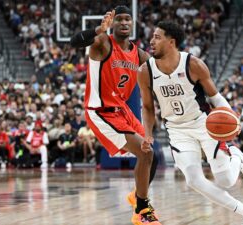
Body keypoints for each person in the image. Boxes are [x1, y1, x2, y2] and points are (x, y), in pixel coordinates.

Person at [138, 20, 243, 225]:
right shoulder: (145, 71)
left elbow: (215, 98)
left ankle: (236, 156)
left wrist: (232, 118)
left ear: (171, 42)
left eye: (157, 37)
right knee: (193, 179)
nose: (151, 41)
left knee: (225, 180)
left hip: (204, 124)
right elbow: (147, 107)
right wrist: (148, 132)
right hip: (176, 129)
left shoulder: (193, 64)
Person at [70, 6, 160, 224]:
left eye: (127, 19)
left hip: (121, 110)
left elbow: (159, 68)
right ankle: (141, 211)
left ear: (132, 23)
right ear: (113, 23)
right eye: (119, 19)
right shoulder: (102, 43)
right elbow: (74, 42)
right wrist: (97, 30)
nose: (123, 23)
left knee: (153, 157)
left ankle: (136, 195)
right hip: (100, 111)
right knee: (145, 154)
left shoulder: (137, 53)